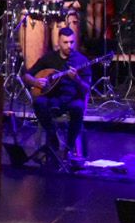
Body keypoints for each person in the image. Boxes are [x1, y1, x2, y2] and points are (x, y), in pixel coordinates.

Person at [24, 26, 90, 163]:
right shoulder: (49, 58)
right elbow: (26, 76)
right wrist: (36, 82)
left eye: (71, 42)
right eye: (65, 42)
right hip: (52, 98)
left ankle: (69, 147)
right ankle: (52, 137)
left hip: (71, 99)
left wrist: (77, 79)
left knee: (78, 108)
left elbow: (86, 88)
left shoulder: (81, 61)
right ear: (58, 43)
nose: (69, 46)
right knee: (38, 103)